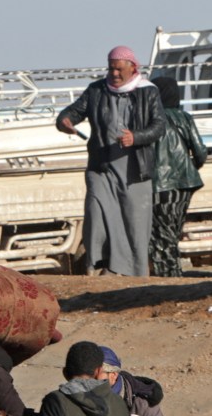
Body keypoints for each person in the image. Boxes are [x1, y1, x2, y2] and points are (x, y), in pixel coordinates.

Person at [58, 47, 164, 278]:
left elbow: (158, 126)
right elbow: (74, 112)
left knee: (133, 223)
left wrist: (135, 137)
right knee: (96, 213)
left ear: (132, 68)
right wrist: (64, 120)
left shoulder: (148, 91)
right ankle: (97, 265)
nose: (114, 73)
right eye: (110, 68)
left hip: (134, 168)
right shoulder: (96, 90)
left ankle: (133, 273)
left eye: (118, 69)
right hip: (101, 166)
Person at [150, 75, 206, 277]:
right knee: (172, 232)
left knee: (160, 233)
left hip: (159, 185)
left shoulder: (149, 119)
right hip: (185, 185)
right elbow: (200, 152)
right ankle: (173, 273)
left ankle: (167, 275)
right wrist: (189, 169)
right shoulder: (184, 117)